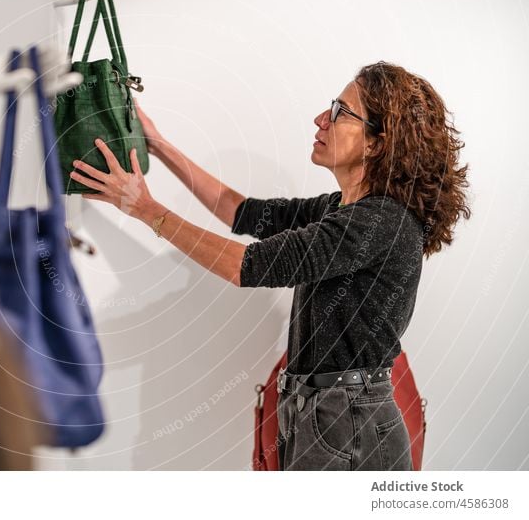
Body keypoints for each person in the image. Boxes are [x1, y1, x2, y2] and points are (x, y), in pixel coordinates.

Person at [69, 61, 471, 470]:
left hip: (351, 425)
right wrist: (158, 144)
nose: (321, 119)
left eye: (340, 112)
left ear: (376, 143)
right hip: (322, 414)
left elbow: (244, 266)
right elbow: (240, 212)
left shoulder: (380, 221)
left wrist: (145, 208)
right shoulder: (340, 208)